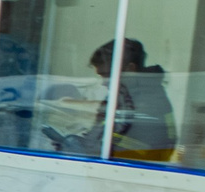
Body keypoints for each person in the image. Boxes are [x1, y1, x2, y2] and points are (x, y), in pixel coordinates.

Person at [49, 38, 177, 162]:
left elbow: (140, 149)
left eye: (107, 75)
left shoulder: (146, 101)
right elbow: (109, 133)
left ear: (130, 69)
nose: (104, 83)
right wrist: (79, 143)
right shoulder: (126, 94)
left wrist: (83, 148)